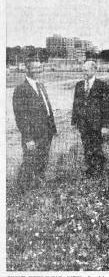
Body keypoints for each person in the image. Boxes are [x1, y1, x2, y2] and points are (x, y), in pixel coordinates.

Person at [12, 58, 57, 192]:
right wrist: (28, 138)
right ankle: (22, 188)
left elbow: (47, 108)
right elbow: (20, 117)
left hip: (46, 131)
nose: (38, 71)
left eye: (39, 68)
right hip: (33, 134)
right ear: (27, 69)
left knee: (43, 158)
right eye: (35, 68)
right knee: (30, 160)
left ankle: (39, 182)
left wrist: (52, 129)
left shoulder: (40, 85)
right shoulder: (21, 89)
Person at [71, 60, 109, 177]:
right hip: (83, 124)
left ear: (94, 70)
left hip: (96, 124)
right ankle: (89, 169)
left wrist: (105, 126)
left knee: (97, 147)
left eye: (86, 70)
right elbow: (75, 104)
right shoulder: (79, 85)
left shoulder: (102, 86)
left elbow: (106, 107)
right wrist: (74, 121)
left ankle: (99, 169)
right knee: (86, 147)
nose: (84, 72)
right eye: (83, 70)